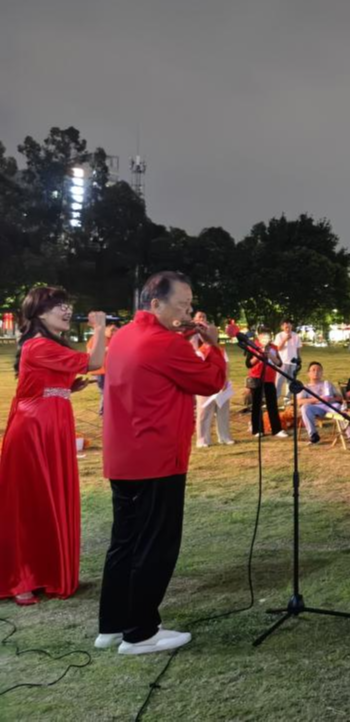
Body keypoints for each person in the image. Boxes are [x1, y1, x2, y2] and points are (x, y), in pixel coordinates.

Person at [97, 272, 227, 655]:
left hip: (123, 455)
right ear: (155, 304)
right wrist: (213, 346)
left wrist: (185, 336)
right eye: (182, 305)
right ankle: (140, 632)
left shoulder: (124, 336)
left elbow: (155, 368)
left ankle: (112, 625)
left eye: (190, 304)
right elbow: (210, 381)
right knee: (156, 545)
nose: (188, 312)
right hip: (157, 459)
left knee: (124, 543)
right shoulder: (165, 344)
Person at [1, 290, 106, 606]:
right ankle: (20, 577)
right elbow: (95, 362)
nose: (67, 309)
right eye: (58, 305)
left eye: (67, 304)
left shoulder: (45, 346)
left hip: (51, 427)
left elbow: (42, 385)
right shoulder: (38, 345)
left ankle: (46, 572)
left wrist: (66, 386)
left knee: (49, 500)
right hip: (35, 432)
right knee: (29, 504)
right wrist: (100, 328)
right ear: (40, 313)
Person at [192, 312, 235, 448]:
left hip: (221, 385)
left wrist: (225, 381)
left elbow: (226, 365)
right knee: (204, 413)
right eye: (211, 333)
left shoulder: (221, 350)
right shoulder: (201, 351)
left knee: (223, 411)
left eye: (215, 334)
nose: (214, 336)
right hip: (206, 386)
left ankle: (224, 436)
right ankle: (202, 439)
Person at [299, 362, 350, 446]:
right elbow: (299, 401)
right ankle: (313, 435)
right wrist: (318, 399)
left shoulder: (327, 384)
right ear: (308, 373)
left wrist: (331, 399)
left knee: (339, 408)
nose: (316, 372)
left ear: (322, 372)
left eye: (319, 370)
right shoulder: (305, 387)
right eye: (313, 370)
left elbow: (340, 397)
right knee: (305, 408)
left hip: (331, 406)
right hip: (316, 408)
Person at [245, 329, 287, 439]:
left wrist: (270, 354)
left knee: (272, 404)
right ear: (258, 336)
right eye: (262, 335)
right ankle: (257, 429)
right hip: (256, 378)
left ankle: (276, 429)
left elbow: (279, 363)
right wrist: (259, 354)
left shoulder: (273, 348)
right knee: (256, 404)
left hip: (270, 379)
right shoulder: (253, 347)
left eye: (267, 335)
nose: (265, 337)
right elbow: (249, 364)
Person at [87, 321, 118, 416]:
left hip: (111, 370)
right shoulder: (97, 338)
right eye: (112, 330)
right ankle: (103, 411)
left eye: (115, 330)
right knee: (105, 391)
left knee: (111, 391)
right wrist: (106, 349)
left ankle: (109, 410)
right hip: (100, 370)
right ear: (105, 328)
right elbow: (89, 352)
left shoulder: (114, 339)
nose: (113, 332)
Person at [273, 320, 302, 404]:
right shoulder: (279, 335)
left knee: (291, 382)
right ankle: (275, 398)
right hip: (282, 362)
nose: (288, 329)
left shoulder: (296, 335)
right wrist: (285, 339)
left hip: (293, 362)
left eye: (289, 327)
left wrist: (299, 358)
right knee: (279, 381)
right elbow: (278, 348)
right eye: (286, 327)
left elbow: (298, 348)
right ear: (282, 327)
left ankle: (287, 399)